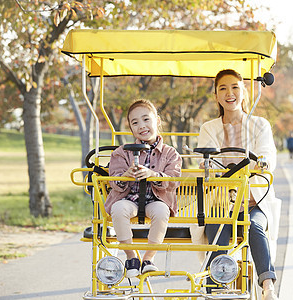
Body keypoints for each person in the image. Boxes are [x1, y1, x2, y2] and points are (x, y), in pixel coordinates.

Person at [197, 69, 280, 300]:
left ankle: (267, 285)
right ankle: (216, 287)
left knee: (254, 225)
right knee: (216, 228)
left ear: (244, 92)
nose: (229, 93)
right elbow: (208, 164)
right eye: (222, 88)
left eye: (235, 87)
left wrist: (259, 166)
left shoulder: (260, 125)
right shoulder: (209, 128)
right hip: (222, 202)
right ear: (216, 96)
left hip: (254, 200)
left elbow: (266, 158)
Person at [105, 99, 182, 278]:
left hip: (156, 199)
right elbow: (113, 180)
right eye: (135, 122)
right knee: (118, 209)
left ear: (157, 121)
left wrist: (153, 175)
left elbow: (173, 180)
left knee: (162, 211)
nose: (142, 126)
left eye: (146, 119)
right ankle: (131, 256)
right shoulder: (121, 152)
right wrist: (126, 175)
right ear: (131, 128)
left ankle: (149, 257)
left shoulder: (171, 154)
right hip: (129, 199)